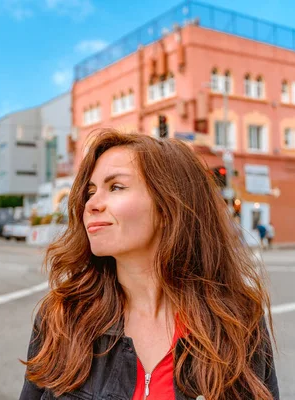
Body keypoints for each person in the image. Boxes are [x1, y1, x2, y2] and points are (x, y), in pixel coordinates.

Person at [20, 130, 278, 400]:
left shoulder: (238, 322)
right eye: (90, 191)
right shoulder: (63, 316)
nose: (91, 204)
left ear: (169, 207)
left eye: (116, 187)